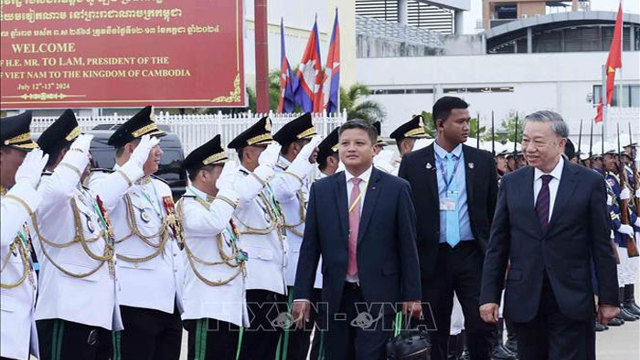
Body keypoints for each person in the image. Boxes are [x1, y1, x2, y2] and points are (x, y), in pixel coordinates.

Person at [479, 110, 620, 360]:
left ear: (561, 143)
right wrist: (489, 296)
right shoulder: (512, 183)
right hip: (525, 297)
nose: (529, 148)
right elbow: (498, 245)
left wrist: (609, 298)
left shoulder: (589, 182)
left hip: (572, 297)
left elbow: (601, 244)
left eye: (538, 141)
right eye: (525, 140)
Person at [292, 119, 422, 360]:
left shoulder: (396, 188)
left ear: (374, 149)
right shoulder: (322, 190)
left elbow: (407, 245)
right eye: (345, 143)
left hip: (379, 293)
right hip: (336, 294)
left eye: (359, 143)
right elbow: (310, 247)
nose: (351, 148)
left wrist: (412, 295)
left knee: (370, 355)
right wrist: (302, 294)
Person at [398, 96, 498, 360]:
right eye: (460, 121)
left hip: (472, 255)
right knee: (435, 328)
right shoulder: (413, 163)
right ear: (441, 124)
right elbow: (404, 216)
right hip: (432, 257)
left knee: (480, 324)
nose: (467, 126)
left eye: (468, 121)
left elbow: (494, 211)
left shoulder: (483, 160)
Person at [32, 110, 132, 360]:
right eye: (83, 154)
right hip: (65, 311)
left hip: (95, 311)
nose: (89, 159)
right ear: (67, 156)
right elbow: (57, 192)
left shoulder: (84, 195)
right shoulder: (46, 189)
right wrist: (77, 154)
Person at [88, 106, 184, 360]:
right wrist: (132, 168)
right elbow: (101, 201)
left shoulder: (161, 187)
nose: (161, 152)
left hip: (168, 303)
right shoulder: (104, 182)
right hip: (133, 303)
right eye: (154, 146)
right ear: (133, 149)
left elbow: (172, 243)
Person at [179, 134, 272, 359]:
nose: (225, 181)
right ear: (203, 175)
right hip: (206, 306)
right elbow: (211, 224)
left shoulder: (217, 206)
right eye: (220, 174)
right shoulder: (189, 205)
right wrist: (229, 189)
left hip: (227, 306)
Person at [226, 116, 287, 360]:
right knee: (249, 349)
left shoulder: (265, 184)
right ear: (249, 154)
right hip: (251, 282)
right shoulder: (233, 178)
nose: (271, 155)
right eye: (265, 149)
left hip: (272, 280)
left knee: (267, 347)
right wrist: (264, 170)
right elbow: (240, 196)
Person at [270, 113, 323, 360]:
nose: (314, 155)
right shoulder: (275, 174)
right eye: (309, 148)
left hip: (304, 271)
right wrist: (303, 163)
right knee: (287, 342)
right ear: (295, 148)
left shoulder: (298, 176)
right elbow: (281, 191)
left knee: (301, 341)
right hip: (289, 272)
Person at [1, 111, 48, 360]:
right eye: (23, 156)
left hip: (14, 338)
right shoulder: (16, 199)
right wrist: (26, 184)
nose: (27, 165)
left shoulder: (10, 200)